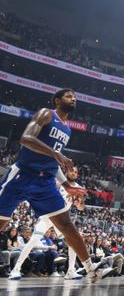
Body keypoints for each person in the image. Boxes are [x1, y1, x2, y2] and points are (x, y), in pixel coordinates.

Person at [0, 89, 100, 281]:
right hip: (23, 174)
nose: (74, 99)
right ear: (57, 100)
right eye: (69, 96)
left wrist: (65, 184)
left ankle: (91, 270)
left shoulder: (67, 130)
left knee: (66, 224)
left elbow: (54, 163)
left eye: (75, 97)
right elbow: (26, 139)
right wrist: (55, 153)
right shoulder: (46, 114)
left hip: (45, 181)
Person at [8, 166, 85, 280]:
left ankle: (71, 271)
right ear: (66, 172)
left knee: (72, 242)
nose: (73, 172)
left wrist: (79, 204)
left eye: (75, 171)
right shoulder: (58, 182)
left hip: (61, 218)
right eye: (71, 170)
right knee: (33, 241)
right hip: (48, 215)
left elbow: (81, 207)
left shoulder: (78, 188)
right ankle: (15, 269)